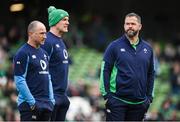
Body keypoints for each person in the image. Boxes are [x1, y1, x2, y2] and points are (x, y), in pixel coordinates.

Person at [99, 12, 155, 121]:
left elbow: (151, 73)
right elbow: (105, 70)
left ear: (140, 26)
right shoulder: (114, 46)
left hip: (139, 104)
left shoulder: (148, 49)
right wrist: (107, 96)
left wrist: (149, 98)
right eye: (127, 23)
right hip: (117, 101)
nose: (130, 26)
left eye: (133, 24)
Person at [13, 20, 55, 121]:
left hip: (46, 104)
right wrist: (32, 102)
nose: (45, 36)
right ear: (31, 34)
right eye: (41, 33)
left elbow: (48, 77)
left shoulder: (44, 54)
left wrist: (52, 100)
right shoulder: (22, 53)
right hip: (30, 105)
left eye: (45, 33)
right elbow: (19, 80)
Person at [41, 6, 70, 121]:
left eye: (68, 20)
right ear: (55, 21)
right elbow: (41, 68)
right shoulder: (47, 41)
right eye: (64, 19)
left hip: (61, 95)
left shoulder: (61, 41)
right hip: (51, 95)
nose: (68, 22)